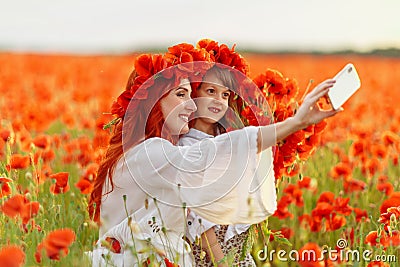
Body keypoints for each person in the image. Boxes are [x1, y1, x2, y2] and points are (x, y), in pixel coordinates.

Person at [88, 42, 341, 267]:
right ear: (154, 101)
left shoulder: (149, 151)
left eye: (191, 94)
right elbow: (213, 153)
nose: (190, 105)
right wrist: (296, 122)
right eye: (181, 95)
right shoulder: (151, 153)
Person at [178, 65, 257, 267]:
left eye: (225, 95)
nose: (218, 100)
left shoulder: (227, 140)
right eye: (210, 91)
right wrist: (220, 261)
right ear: (194, 93)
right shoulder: (185, 147)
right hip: (209, 253)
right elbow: (196, 216)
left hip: (237, 249)